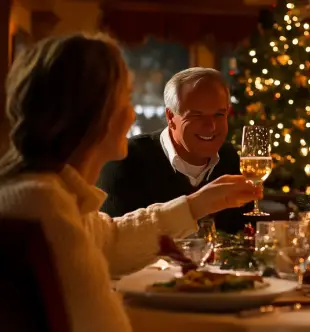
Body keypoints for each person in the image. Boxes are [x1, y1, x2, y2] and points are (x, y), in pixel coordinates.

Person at [0, 33, 261, 332]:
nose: (133, 115)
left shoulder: (42, 193)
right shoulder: (44, 207)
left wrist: (197, 204)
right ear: (97, 115)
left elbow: (109, 240)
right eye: (126, 99)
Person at [97, 67, 251, 234]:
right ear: (170, 117)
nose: (211, 126)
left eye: (219, 115)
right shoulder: (125, 160)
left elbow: (245, 234)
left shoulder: (229, 157)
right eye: (197, 116)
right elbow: (115, 241)